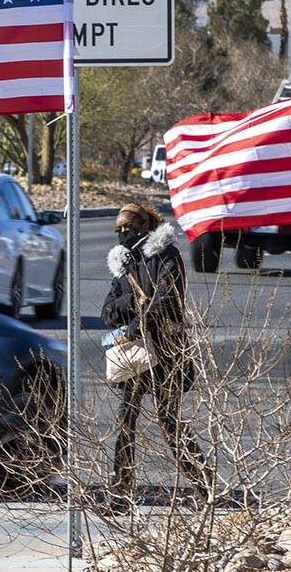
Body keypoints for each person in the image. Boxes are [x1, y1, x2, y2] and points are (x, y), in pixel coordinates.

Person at [100, 202, 205, 503]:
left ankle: (204, 484)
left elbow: (169, 300)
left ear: (144, 226)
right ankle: (120, 492)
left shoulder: (165, 255)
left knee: (168, 420)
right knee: (125, 420)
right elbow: (108, 311)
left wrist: (135, 325)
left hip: (168, 352)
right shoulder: (124, 264)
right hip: (137, 355)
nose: (123, 234)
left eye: (128, 228)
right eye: (118, 230)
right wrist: (134, 306)